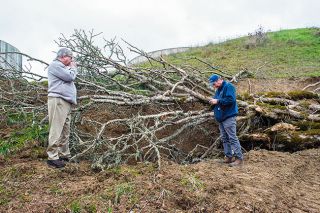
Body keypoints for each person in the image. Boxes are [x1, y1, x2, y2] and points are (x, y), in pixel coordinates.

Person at [47, 48, 77, 168]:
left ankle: (64, 154)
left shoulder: (64, 67)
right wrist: (73, 67)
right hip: (58, 99)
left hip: (66, 101)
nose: (72, 61)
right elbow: (70, 77)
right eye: (71, 58)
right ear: (64, 56)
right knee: (56, 129)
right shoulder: (55, 65)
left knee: (65, 130)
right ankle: (52, 157)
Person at [208, 74, 243, 167]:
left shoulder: (229, 86)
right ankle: (228, 157)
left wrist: (218, 101)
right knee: (224, 138)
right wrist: (213, 101)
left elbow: (231, 99)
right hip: (221, 118)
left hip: (229, 116)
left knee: (232, 137)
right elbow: (218, 100)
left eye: (214, 83)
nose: (213, 86)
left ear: (219, 80)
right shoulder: (218, 89)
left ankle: (239, 158)